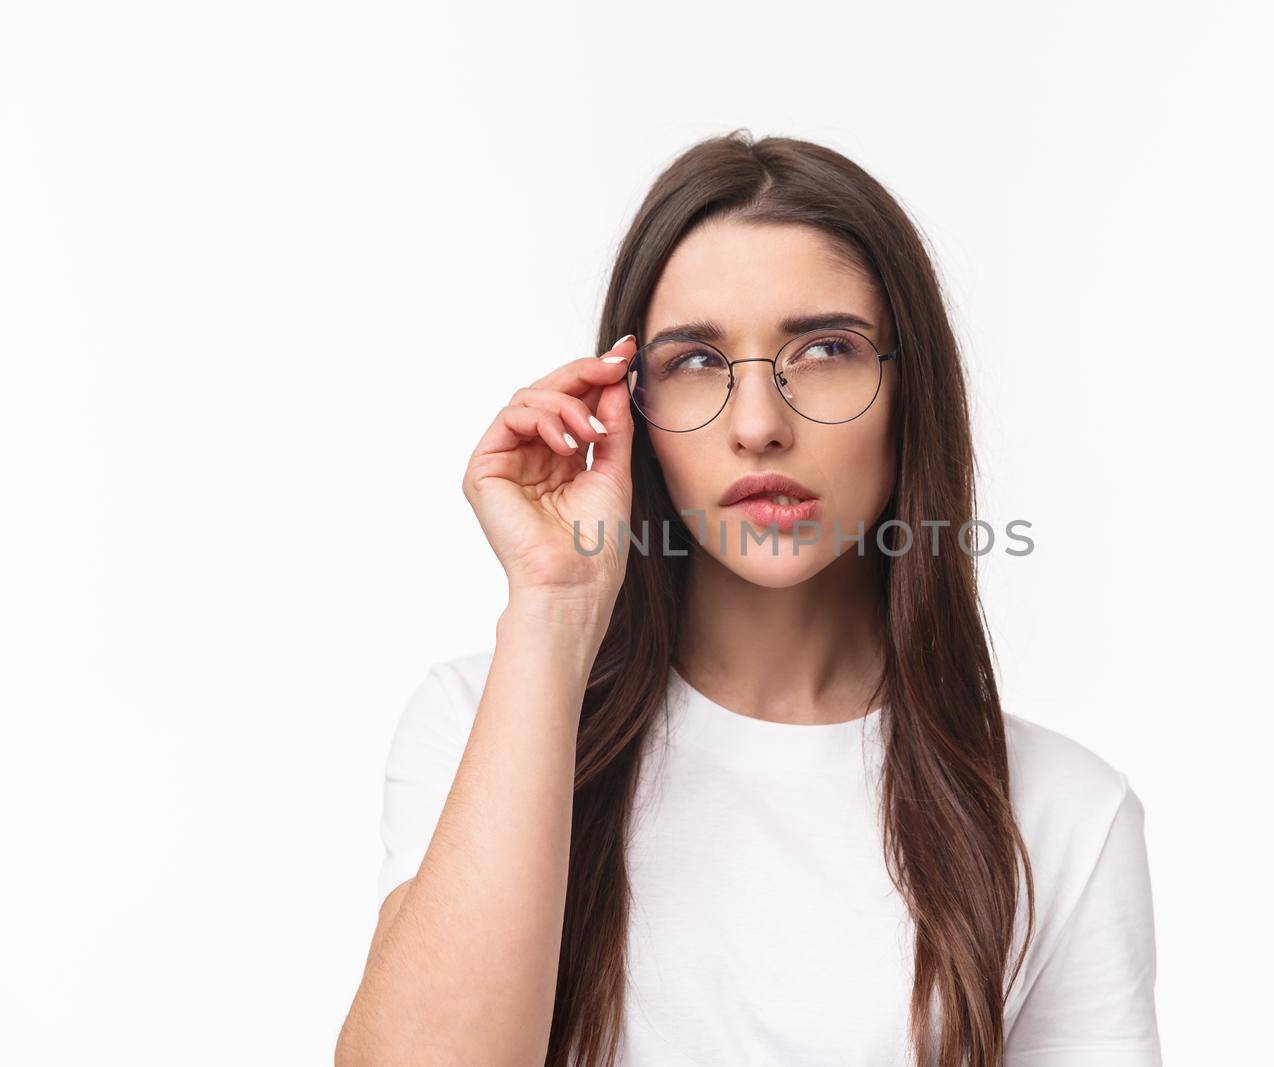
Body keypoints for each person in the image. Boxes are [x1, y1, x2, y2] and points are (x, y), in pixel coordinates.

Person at [335, 130, 1162, 1067]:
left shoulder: (1062, 812)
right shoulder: (484, 723)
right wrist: (553, 609)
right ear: (625, 405)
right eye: (694, 361)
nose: (761, 425)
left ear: (910, 392)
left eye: (825, 350)